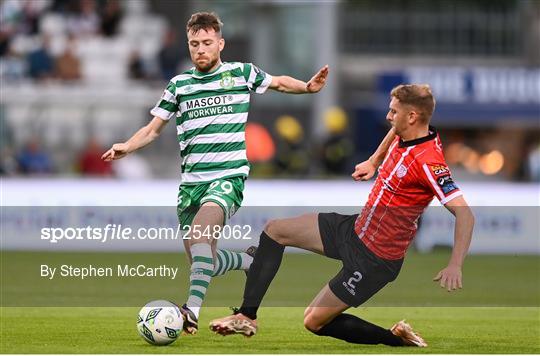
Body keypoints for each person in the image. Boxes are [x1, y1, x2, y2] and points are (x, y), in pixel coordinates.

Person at [101, 12, 329, 335]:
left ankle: (190, 312)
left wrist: (307, 87)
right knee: (201, 260)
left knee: (201, 235)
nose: (200, 50)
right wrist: (128, 145)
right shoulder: (179, 85)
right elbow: (153, 129)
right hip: (191, 185)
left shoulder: (240, 73)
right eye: (194, 44)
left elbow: (278, 82)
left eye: (207, 43)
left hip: (226, 180)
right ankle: (249, 262)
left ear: (220, 44)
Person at [209, 84, 475, 348]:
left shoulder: (430, 162)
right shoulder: (404, 132)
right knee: (275, 230)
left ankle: (397, 339)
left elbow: (465, 215)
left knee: (314, 321)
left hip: (375, 258)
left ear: (413, 116)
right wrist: (374, 160)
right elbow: (394, 132)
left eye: (394, 111)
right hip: (354, 229)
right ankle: (246, 316)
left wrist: (455, 264)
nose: (388, 117)